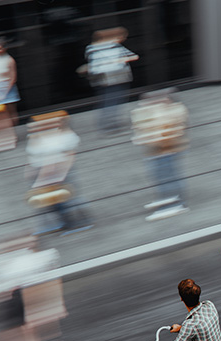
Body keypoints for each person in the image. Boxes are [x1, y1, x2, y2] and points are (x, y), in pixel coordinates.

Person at [24, 112, 92, 234]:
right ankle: (61, 224)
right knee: (52, 201)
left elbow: (58, 161)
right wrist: (30, 171)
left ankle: (81, 222)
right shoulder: (39, 138)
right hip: (44, 173)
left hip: (58, 172)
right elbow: (33, 157)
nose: (31, 129)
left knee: (69, 198)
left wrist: (45, 179)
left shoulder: (63, 137)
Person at [130, 89, 189, 220]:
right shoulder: (158, 110)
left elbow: (165, 130)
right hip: (156, 150)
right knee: (160, 177)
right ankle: (166, 200)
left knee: (168, 178)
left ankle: (175, 204)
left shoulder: (175, 110)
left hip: (167, 149)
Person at [85, 27, 138, 133]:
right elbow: (133, 56)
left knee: (109, 100)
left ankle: (107, 123)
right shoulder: (113, 46)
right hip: (114, 77)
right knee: (113, 100)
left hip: (107, 78)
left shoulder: (92, 48)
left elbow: (93, 64)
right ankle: (110, 124)